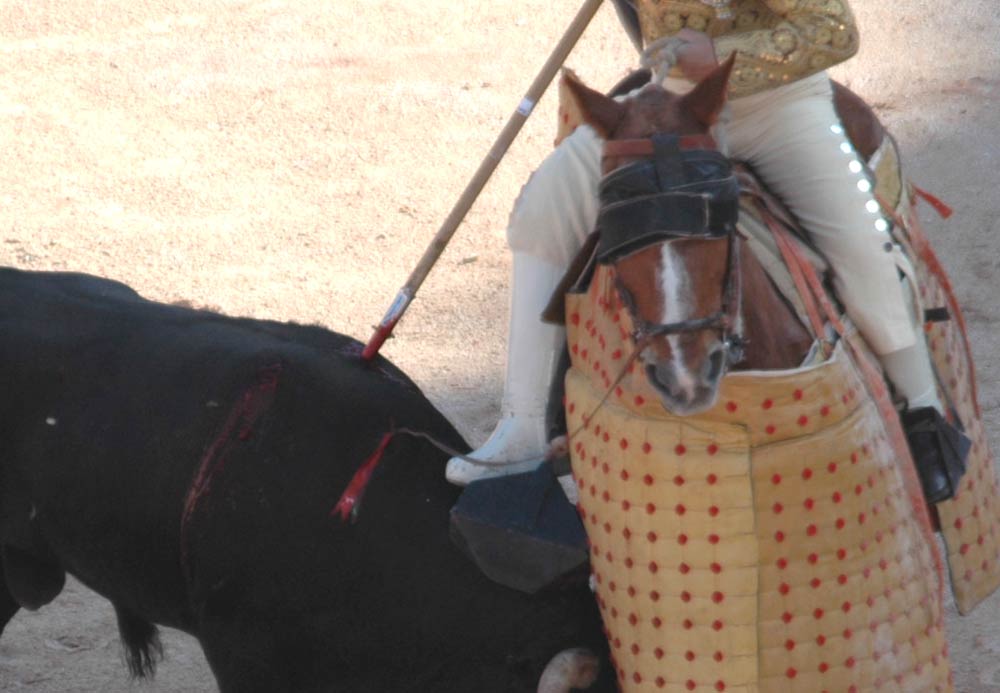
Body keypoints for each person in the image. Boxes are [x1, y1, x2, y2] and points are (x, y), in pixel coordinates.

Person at [446, 0, 943, 485]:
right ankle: (524, 426)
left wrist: (728, 55)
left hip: (782, 105)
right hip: (675, 110)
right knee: (542, 209)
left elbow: (834, 29)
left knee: (862, 242)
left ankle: (924, 414)